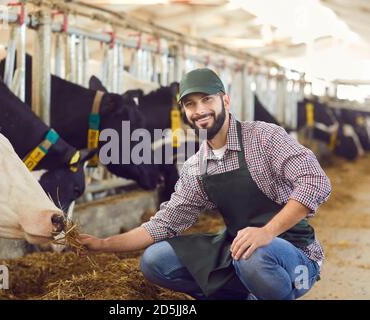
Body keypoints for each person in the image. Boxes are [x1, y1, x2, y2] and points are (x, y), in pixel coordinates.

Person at [77, 68, 331, 300]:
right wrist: (104, 244)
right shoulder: (196, 166)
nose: (199, 110)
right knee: (155, 260)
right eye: (190, 104)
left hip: (296, 259)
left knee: (252, 256)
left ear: (225, 100)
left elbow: (315, 181)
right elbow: (163, 225)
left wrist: (267, 232)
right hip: (241, 250)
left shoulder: (264, 137)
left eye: (206, 99)